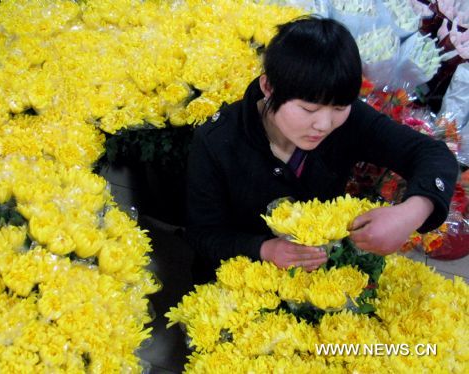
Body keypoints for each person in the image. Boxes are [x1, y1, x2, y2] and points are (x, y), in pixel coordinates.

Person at [186, 16, 459, 285]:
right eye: (308, 109)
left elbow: (433, 155)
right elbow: (203, 234)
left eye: (340, 108)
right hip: (238, 277)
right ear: (268, 87)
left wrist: (411, 211)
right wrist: (264, 249)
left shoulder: (349, 122)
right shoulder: (218, 140)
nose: (324, 124)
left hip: (320, 274)